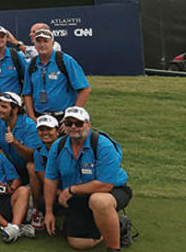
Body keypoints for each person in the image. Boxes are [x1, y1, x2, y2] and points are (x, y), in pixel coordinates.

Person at [43, 107, 133, 252]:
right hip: (79, 196)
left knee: (99, 201)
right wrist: (49, 212)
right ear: (64, 126)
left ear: (88, 124)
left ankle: (114, 247)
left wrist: (71, 190)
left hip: (111, 191)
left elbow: (105, 185)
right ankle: (115, 224)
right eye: (69, 123)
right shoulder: (57, 146)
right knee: (78, 243)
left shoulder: (103, 145)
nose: (73, 127)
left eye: (78, 123)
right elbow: (50, 179)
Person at [22, 28, 91, 121]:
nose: (42, 45)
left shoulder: (65, 60)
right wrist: (31, 116)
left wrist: (72, 116)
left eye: (46, 41)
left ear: (53, 43)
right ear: (34, 44)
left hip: (62, 116)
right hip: (39, 116)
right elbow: (27, 93)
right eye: (38, 41)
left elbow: (84, 90)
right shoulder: (31, 64)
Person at [0, 92, 40, 191]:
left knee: (31, 166)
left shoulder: (29, 125)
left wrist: (15, 143)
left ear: (15, 109)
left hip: (26, 168)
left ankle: (35, 204)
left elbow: (33, 156)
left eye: (4, 107)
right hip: (9, 167)